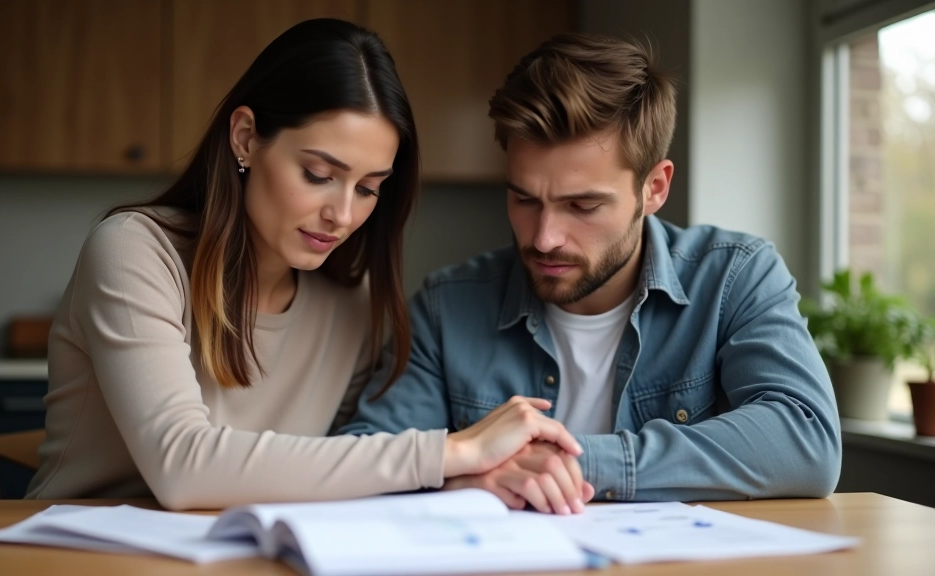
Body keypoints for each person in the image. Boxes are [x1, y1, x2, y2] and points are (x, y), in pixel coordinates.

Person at [26, 19, 581, 510]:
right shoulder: (135, 251)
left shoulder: (350, 298)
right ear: (246, 138)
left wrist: (459, 484)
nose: (341, 214)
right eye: (318, 174)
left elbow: (333, 469)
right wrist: (451, 451)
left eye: (368, 189)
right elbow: (181, 467)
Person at [339, 33, 842, 514]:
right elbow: (363, 457)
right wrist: (461, 473)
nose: (544, 237)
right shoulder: (448, 306)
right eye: (523, 198)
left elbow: (805, 440)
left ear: (655, 188)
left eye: (582, 205)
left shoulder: (735, 277)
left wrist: (575, 461)